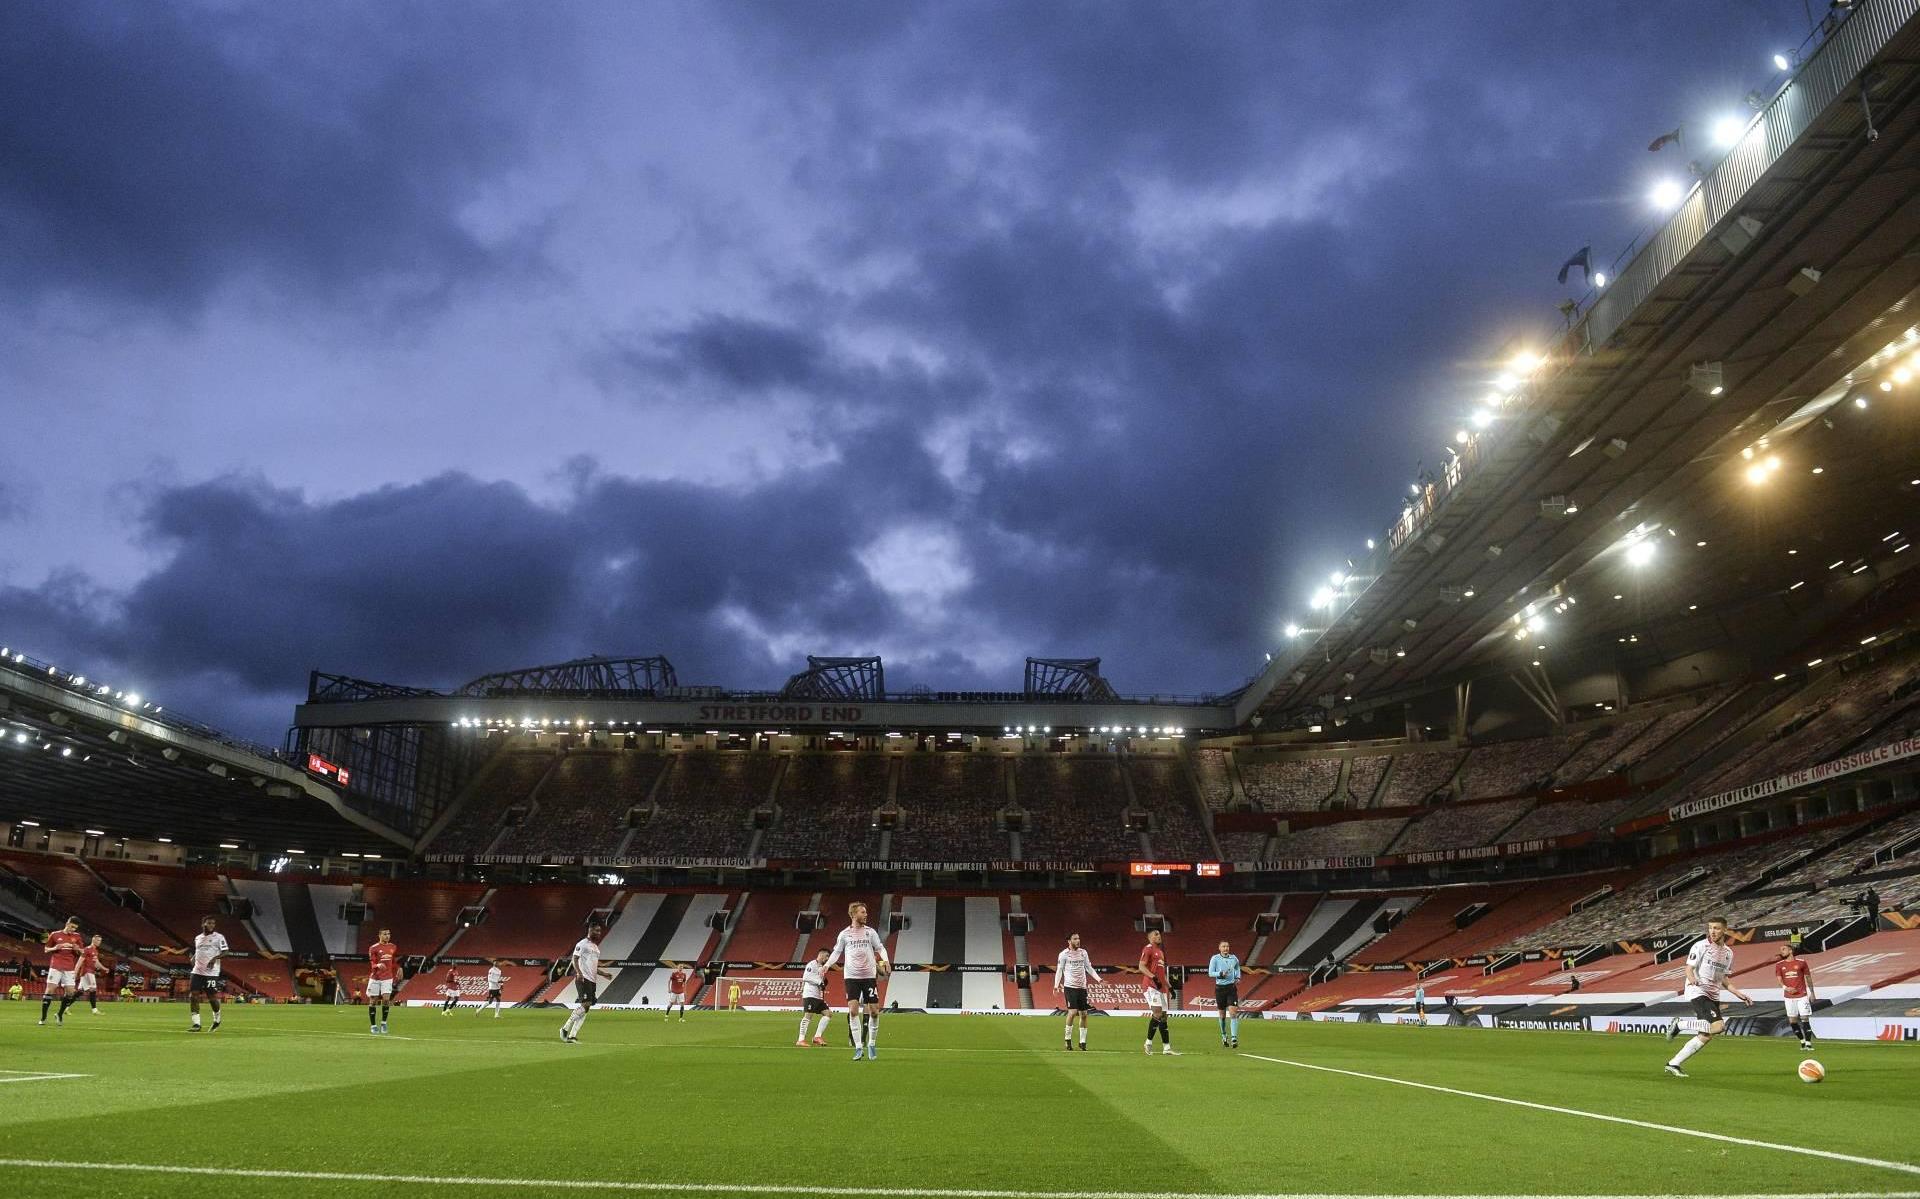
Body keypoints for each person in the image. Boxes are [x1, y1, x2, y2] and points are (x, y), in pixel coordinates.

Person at [1664, 916, 1753, 1076]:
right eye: (1710, 928)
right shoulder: (1700, 946)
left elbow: (1724, 978)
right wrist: (1693, 979)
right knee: (1719, 1027)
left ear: (1725, 930)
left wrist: (1738, 993)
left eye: (1716, 928)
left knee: (1706, 1035)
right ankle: (1680, 1025)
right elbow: (1688, 968)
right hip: (1698, 991)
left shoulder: (1728, 953)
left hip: (1713, 995)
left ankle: (1673, 1064)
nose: (1713, 931)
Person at [823, 901, 890, 1061]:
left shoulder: (870, 932)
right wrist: (826, 965)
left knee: (874, 1011)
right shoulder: (844, 934)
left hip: (869, 976)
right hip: (851, 977)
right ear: (853, 914)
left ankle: (871, 1044)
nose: (866, 914)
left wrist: (886, 961)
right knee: (853, 1011)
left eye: (865, 912)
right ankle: (858, 1047)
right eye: (862, 912)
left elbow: (880, 948)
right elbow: (836, 952)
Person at [560, 925, 609, 1044]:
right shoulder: (582, 944)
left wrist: (603, 974)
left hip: (592, 980)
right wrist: (579, 973)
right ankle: (565, 1028)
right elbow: (574, 959)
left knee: (586, 1007)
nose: (599, 933)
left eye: (600, 931)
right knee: (586, 1004)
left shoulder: (596, 948)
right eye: (597, 930)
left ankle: (572, 1036)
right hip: (583, 978)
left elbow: (593, 966)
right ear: (590, 931)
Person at [1054, 932, 1100, 1051]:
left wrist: (1099, 979)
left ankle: (1082, 1042)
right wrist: (1056, 986)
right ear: (1069, 941)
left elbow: (1089, 967)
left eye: (1078, 938)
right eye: (1075, 939)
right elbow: (1059, 970)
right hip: (1070, 987)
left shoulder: (1083, 953)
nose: (1078, 940)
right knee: (1073, 1012)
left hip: (1082, 988)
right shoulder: (1063, 954)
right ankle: (1067, 1039)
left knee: (1084, 1014)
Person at [39, 917, 83, 1026]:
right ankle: (43, 1018)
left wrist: (77, 948)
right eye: (72, 926)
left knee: (70, 992)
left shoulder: (77, 936)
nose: (73, 929)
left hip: (69, 967)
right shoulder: (55, 934)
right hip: (56, 965)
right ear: (67, 923)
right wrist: (55, 947)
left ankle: (59, 1014)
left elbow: (82, 952)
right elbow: (46, 949)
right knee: (50, 990)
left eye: (75, 928)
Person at [188, 916, 229, 1033]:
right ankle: (196, 1024)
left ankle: (217, 1018)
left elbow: (226, 951)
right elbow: (198, 951)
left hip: (211, 972)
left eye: (213, 923)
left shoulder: (219, 937)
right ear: (203, 924)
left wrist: (214, 958)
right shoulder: (198, 938)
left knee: (211, 997)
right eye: (209, 923)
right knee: (193, 996)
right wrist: (193, 959)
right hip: (197, 971)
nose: (211, 925)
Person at [1774, 942, 1818, 1051]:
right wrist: (1786, 988)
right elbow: (1779, 980)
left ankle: (1808, 1043)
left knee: (1805, 1018)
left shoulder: (1801, 963)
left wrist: (1812, 992)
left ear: (1790, 951)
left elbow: (1808, 978)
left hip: (1802, 995)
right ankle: (1802, 1041)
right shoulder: (1779, 965)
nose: (1781, 951)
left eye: (1784, 949)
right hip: (1788, 997)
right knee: (1792, 1021)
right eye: (1781, 950)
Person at [1140, 928, 1177, 1056]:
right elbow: (1141, 966)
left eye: (1159, 934)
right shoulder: (1148, 949)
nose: (1159, 936)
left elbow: (1162, 973)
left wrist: (1170, 988)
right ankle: (1148, 1043)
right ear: (1150, 938)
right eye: (1156, 934)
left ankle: (1166, 1048)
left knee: (1164, 1017)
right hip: (1151, 986)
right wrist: (1153, 978)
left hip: (1161, 988)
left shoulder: (1160, 952)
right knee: (1157, 1013)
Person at [1208, 939, 1242, 1048]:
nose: (1226, 948)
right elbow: (1210, 973)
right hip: (1220, 989)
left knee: (1233, 1013)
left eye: (1227, 946)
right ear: (1219, 948)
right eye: (1223, 946)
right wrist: (1220, 973)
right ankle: (1224, 1035)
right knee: (1222, 1015)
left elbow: (1237, 967)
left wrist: (1237, 977)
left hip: (1231, 988)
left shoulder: (1234, 958)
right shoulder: (1215, 958)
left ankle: (1234, 1038)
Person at [366, 929, 400, 1034]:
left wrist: (399, 967)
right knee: (373, 1001)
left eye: (389, 934)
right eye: (385, 934)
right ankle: (373, 1025)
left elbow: (393, 961)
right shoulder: (373, 948)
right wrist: (377, 965)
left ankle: (384, 1023)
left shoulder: (393, 947)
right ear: (379, 935)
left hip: (388, 977)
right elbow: (372, 963)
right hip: (375, 977)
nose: (387, 936)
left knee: (386, 1000)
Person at [797, 948, 832, 1047]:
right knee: (808, 1015)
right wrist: (819, 982)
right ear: (821, 955)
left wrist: (823, 981)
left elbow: (818, 978)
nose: (827, 958)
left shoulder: (821, 967)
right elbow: (806, 977)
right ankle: (800, 1040)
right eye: (826, 956)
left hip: (817, 996)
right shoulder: (812, 964)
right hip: (810, 994)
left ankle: (817, 1037)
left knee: (828, 1014)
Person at [76, 935, 104, 1015]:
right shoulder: (87, 949)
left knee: (80, 991)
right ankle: (94, 1010)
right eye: (98, 940)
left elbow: (96, 963)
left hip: (90, 971)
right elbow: (80, 961)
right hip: (87, 971)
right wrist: (75, 972)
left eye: (100, 941)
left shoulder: (95, 951)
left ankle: (66, 1007)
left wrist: (104, 968)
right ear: (93, 940)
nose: (99, 942)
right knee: (93, 989)